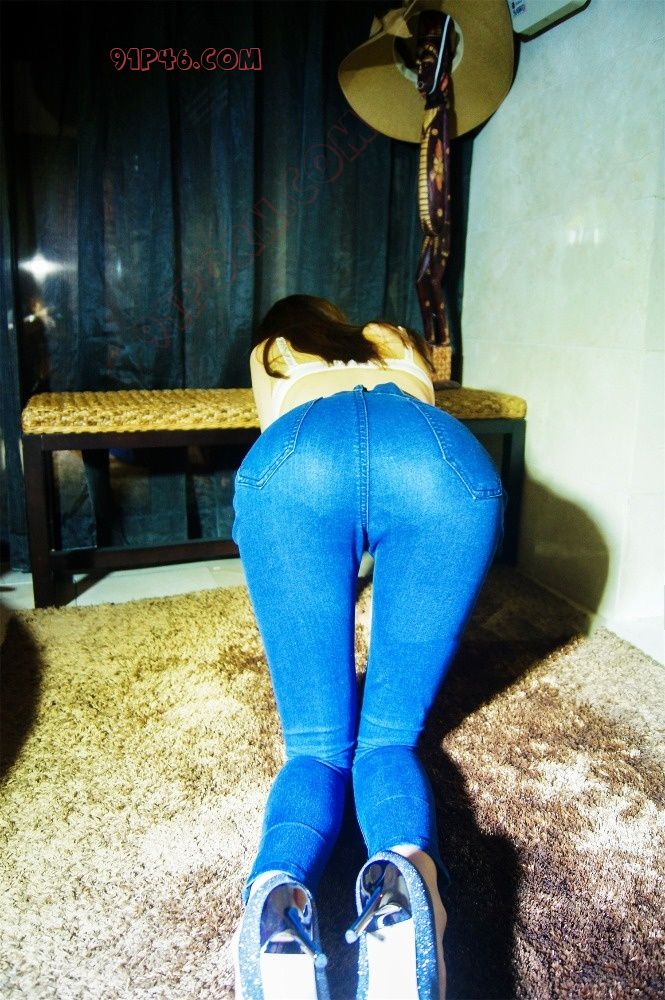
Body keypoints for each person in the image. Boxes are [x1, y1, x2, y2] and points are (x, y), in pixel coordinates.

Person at [231, 295, 506, 1000]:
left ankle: (276, 901)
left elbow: (288, 440)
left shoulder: (273, 350)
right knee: (388, 740)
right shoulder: (395, 337)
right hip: (440, 466)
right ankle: (406, 889)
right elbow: (402, 428)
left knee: (317, 749)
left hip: (299, 466)